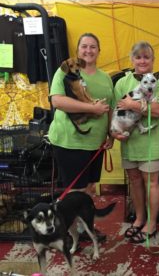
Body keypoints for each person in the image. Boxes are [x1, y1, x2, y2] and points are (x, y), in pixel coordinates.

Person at [48, 32, 114, 240]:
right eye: (84, 46)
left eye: (93, 47)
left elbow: (110, 107)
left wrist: (110, 132)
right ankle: (68, 231)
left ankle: (84, 228)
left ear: (98, 51)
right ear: (78, 50)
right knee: (74, 190)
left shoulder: (105, 78)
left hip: (95, 143)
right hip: (70, 141)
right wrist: (91, 108)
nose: (88, 50)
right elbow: (57, 101)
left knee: (89, 188)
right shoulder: (65, 70)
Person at [112, 41, 159, 244]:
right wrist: (113, 134)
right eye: (138, 57)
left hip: (152, 142)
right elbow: (116, 110)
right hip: (130, 141)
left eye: (146, 57)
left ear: (153, 60)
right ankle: (139, 218)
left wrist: (132, 104)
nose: (142, 60)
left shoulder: (158, 82)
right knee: (135, 181)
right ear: (132, 59)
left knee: (151, 182)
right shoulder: (121, 83)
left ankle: (151, 224)